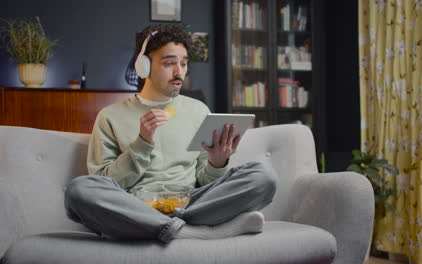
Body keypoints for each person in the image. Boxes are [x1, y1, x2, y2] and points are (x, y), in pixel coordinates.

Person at [64, 24, 277, 244]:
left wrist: (217, 162)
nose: (179, 72)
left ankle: (163, 227)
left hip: (192, 202)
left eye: (184, 63)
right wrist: (142, 144)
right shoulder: (110, 116)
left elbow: (204, 182)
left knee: (263, 176)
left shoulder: (198, 110)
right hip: (136, 205)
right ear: (143, 66)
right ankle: (191, 231)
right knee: (79, 190)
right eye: (169, 63)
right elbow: (104, 181)